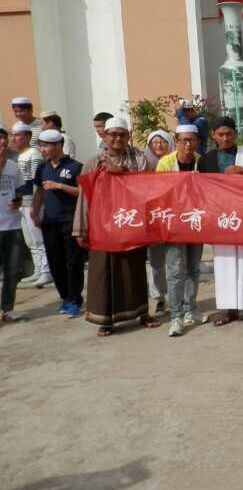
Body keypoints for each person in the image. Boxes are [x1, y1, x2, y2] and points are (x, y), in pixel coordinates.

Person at [73, 117, 160, 336]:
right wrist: (81, 228)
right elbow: (84, 197)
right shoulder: (93, 163)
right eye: (113, 134)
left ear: (128, 136)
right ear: (105, 135)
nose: (118, 139)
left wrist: (122, 172)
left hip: (130, 223)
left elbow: (149, 187)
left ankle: (142, 313)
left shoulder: (139, 160)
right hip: (102, 227)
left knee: (134, 271)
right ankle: (105, 320)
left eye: (122, 134)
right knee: (104, 273)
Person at [198, 116, 243, 326]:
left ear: (235, 134)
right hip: (220, 216)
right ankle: (229, 309)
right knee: (224, 262)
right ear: (213, 135)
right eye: (221, 134)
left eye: (229, 134)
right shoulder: (206, 160)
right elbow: (202, 189)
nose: (225, 138)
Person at [155, 124, 204, 337]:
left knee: (193, 267)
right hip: (173, 222)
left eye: (192, 140)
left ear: (198, 141)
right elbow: (159, 192)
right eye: (184, 140)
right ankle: (176, 316)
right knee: (175, 270)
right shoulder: (165, 163)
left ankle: (190, 309)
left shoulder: (202, 161)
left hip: (196, 221)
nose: (188, 144)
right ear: (176, 141)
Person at [31, 129, 85, 318]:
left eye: (46, 146)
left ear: (59, 145)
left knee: (73, 262)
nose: (42, 150)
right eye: (41, 146)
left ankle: (76, 299)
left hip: (70, 220)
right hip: (50, 221)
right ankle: (65, 298)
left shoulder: (76, 167)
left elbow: (83, 192)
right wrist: (34, 211)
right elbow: (39, 191)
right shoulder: (42, 168)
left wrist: (60, 186)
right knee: (55, 262)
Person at [11, 122, 52, 288]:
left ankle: (46, 271)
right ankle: (38, 269)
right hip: (23, 202)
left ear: (27, 136)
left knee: (39, 238)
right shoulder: (19, 156)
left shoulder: (34, 154)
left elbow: (36, 183)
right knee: (30, 240)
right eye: (12, 135)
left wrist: (35, 206)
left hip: (32, 202)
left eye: (17, 135)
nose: (13, 139)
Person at [143, 129, 175, 317]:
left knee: (174, 260)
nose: (158, 145)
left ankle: (175, 297)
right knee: (155, 261)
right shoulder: (143, 164)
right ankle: (159, 298)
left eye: (162, 142)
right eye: (154, 142)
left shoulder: (175, 162)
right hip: (152, 218)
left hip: (173, 216)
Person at [0, 124, 25, 322]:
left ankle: (7, 309)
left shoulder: (13, 166)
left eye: (4, 138)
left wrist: (18, 201)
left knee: (13, 269)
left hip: (13, 225)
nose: (2, 142)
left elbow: (19, 191)